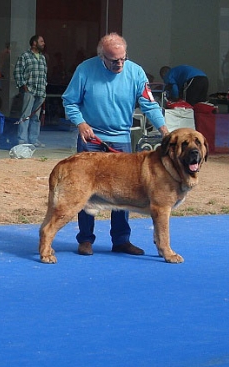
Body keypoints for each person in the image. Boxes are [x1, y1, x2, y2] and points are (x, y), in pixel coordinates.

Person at [62, 32, 169, 257]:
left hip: (120, 140)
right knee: (86, 193)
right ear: (102, 57)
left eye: (123, 58)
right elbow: (69, 101)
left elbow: (149, 105)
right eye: (114, 60)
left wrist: (164, 131)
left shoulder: (136, 72)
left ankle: (121, 240)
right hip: (91, 140)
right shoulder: (85, 69)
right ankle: (85, 240)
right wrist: (80, 123)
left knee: (125, 193)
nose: (120, 63)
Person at [13, 35, 47, 147]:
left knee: (36, 117)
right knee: (25, 115)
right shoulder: (25, 56)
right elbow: (17, 72)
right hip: (29, 91)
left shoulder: (42, 58)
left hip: (40, 91)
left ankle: (34, 139)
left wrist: (44, 86)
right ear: (34, 43)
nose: (43, 43)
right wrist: (23, 86)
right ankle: (22, 140)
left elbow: (44, 74)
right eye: (41, 41)